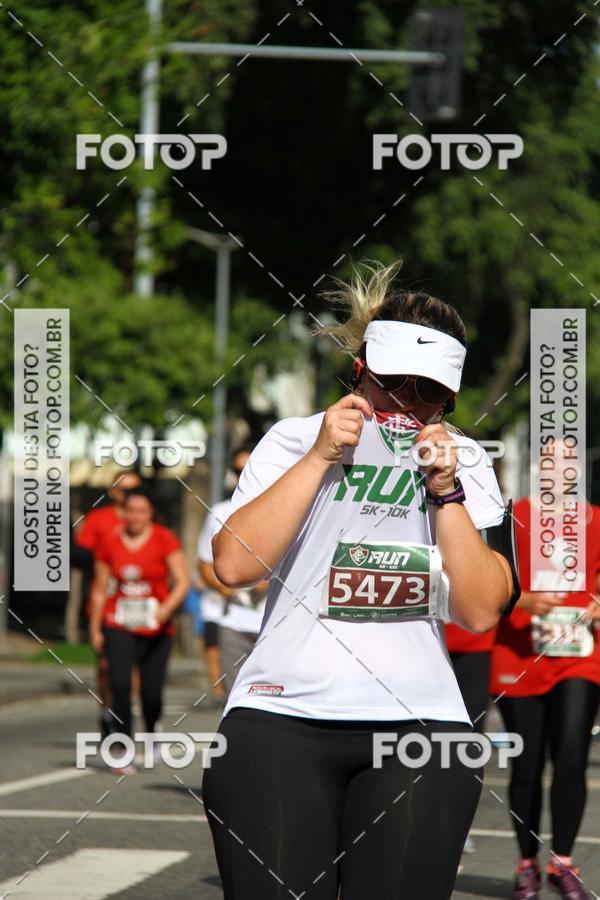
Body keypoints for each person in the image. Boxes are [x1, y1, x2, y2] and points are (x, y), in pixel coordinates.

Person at [202, 262, 519, 900]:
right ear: (360, 371)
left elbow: (482, 611)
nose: (405, 404)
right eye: (392, 384)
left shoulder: (469, 463)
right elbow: (233, 568)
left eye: (426, 393)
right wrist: (321, 456)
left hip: (420, 728)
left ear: (449, 401)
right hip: (280, 715)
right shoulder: (293, 441)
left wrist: (445, 492)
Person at [491, 496, 600, 900]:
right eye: (550, 459)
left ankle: (563, 862)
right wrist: (521, 601)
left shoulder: (595, 519)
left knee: (571, 755)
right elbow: (486, 568)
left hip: (578, 656)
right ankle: (526, 865)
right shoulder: (512, 515)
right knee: (527, 763)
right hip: (519, 652)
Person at [89, 487, 189, 773]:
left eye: (141, 511)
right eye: (130, 511)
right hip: (118, 622)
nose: (135, 517)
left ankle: (153, 727)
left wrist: (165, 609)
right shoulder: (110, 541)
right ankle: (122, 749)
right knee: (120, 685)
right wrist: (96, 628)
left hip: (156, 627)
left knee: (151, 693)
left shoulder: (164, 539)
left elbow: (181, 582)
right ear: (124, 513)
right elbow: (99, 588)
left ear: (150, 514)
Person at [197, 446, 268, 703]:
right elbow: (204, 565)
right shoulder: (219, 512)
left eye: (249, 469)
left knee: (270, 704)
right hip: (235, 622)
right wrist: (230, 588)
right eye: (238, 470)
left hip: (273, 624)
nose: (243, 476)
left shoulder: (285, 510)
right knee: (234, 701)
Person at [74, 470, 142, 736]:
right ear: (113, 492)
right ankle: (106, 710)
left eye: (135, 490)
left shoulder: (146, 517)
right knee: (106, 665)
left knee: (133, 662)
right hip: (107, 601)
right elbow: (80, 554)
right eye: (124, 491)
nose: (129, 497)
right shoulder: (99, 519)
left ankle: (128, 710)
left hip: (140, 603)